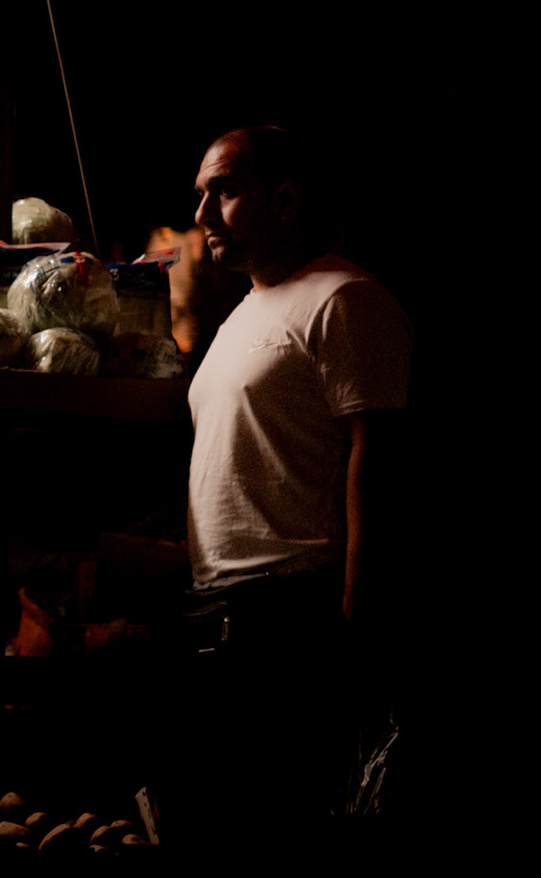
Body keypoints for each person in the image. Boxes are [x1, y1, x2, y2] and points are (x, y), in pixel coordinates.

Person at [176, 125, 412, 851]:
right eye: (199, 197)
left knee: (291, 825)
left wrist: (357, 612)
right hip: (226, 613)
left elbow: (378, 453)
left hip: (298, 613)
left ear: (284, 200)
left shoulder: (345, 298)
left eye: (223, 191)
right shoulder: (241, 316)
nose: (201, 215)